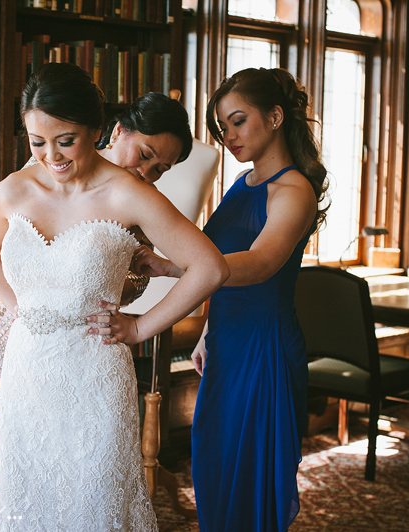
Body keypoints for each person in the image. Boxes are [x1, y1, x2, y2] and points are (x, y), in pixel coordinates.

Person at [0, 85, 198, 530]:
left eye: (161, 167)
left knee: (88, 483)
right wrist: (20, 308)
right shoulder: (35, 177)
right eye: (146, 153)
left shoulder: (134, 201)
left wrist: (140, 321)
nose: (148, 169)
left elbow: (184, 271)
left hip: (89, 350)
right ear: (114, 131)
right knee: (3, 454)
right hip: (13, 330)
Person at [127, 67, 329, 531]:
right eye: (223, 127)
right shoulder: (246, 183)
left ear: (275, 116)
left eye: (238, 121)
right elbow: (223, 262)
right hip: (226, 343)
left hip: (264, 349)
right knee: (215, 467)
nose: (229, 136)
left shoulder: (293, 189)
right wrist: (207, 331)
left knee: (249, 479)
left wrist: (172, 266)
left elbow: (259, 263)